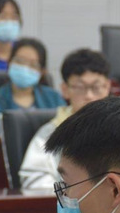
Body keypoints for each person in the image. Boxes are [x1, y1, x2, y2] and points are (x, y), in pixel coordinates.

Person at [19, 48, 111, 190]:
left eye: (96, 87)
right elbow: (34, 181)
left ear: (107, 87)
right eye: (80, 87)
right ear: (65, 90)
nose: (89, 96)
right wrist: (74, 196)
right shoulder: (50, 133)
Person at [0, 38, 65, 133]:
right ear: (9, 62)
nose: (25, 68)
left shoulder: (54, 99)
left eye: (33, 65)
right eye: (19, 61)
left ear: (42, 72)